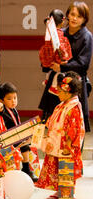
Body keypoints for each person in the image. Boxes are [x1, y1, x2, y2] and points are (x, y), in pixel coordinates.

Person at [40, 1, 92, 132]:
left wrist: (62, 68)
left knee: (74, 127)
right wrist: (47, 62)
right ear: (67, 15)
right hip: (56, 84)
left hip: (75, 86)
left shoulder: (87, 36)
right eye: (72, 14)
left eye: (79, 16)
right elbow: (48, 57)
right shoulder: (59, 32)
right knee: (53, 124)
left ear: (84, 19)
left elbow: (83, 64)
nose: (74, 18)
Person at [36, 71, 85, 199]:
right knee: (57, 168)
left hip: (66, 145)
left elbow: (74, 127)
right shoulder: (63, 104)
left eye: (59, 91)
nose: (57, 93)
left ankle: (68, 194)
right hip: (57, 142)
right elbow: (53, 120)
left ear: (67, 92)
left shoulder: (74, 106)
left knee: (66, 169)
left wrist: (69, 144)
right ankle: (59, 192)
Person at [38, 9, 73, 121]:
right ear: (62, 22)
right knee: (60, 106)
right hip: (60, 74)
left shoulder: (48, 36)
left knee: (49, 109)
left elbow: (44, 57)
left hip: (51, 72)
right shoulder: (61, 37)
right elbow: (65, 57)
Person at [0, 82, 36, 180]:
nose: (13, 101)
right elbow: (1, 110)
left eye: (15, 98)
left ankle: (28, 168)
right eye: (9, 99)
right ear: (1, 100)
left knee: (30, 140)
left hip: (15, 135)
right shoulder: (3, 110)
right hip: (7, 138)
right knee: (24, 144)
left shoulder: (13, 109)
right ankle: (26, 169)